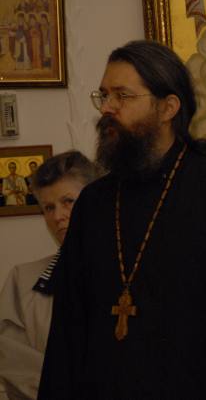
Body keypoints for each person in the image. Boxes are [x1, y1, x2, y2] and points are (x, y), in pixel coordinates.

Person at [38, 40, 206, 399]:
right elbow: (68, 331)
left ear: (168, 107)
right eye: (103, 95)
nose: (106, 108)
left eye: (122, 96)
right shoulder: (94, 202)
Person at [0, 151, 99, 400]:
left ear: (98, 200)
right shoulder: (22, 281)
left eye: (68, 201)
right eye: (48, 207)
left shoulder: (132, 274)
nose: (57, 216)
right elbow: (14, 365)